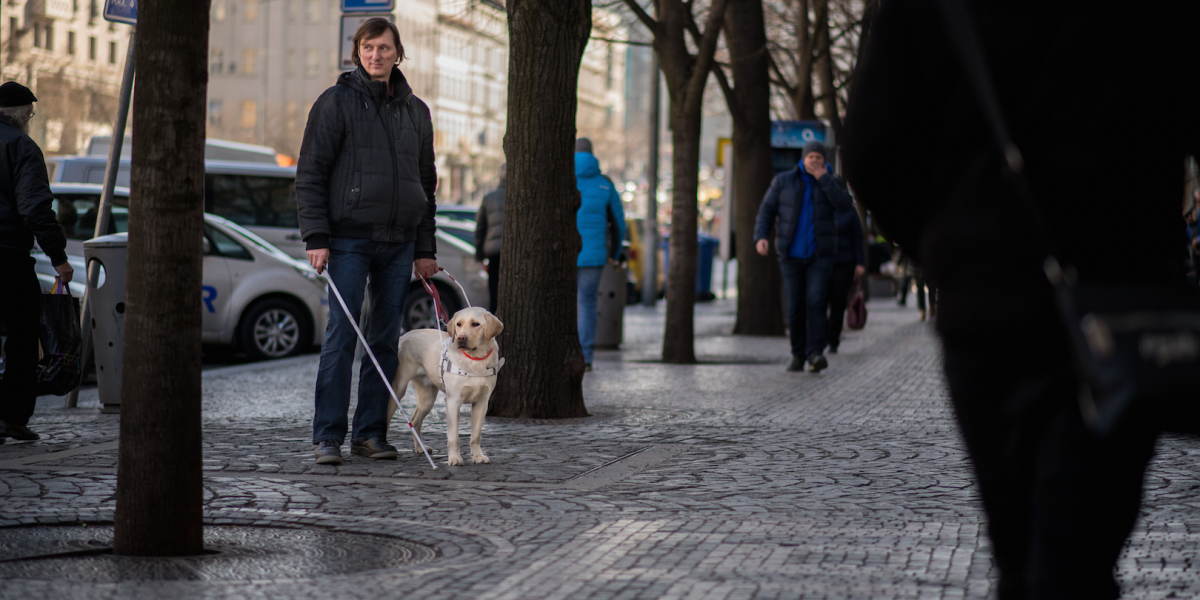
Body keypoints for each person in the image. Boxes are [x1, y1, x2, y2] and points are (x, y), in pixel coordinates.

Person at [842, 2, 1199, 597]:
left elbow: (871, 152)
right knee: (1077, 551)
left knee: (1019, 544)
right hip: (1116, 297)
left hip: (986, 307)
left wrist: (948, 245)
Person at [296, 18, 439, 466]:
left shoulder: (416, 110)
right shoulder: (335, 103)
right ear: (357, 51)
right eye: (367, 47)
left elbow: (425, 183)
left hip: (399, 243)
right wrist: (317, 236)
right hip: (348, 241)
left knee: (384, 342)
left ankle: (371, 433)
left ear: (399, 53)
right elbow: (311, 174)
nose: (375, 55)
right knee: (341, 337)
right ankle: (328, 437)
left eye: (383, 47)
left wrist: (425, 247)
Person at [0, 81, 73, 443]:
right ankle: (11, 417)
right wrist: (58, 258)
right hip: (8, 257)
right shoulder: (22, 147)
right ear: (22, 114)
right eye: (30, 114)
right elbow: (34, 208)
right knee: (23, 337)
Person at [754, 140, 853, 372]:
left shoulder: (833, 182)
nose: (815, 161)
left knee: (816, 301)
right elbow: (767, 210)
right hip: (790, 255)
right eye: (811, 157)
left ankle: (816, 353)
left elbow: (844, 206)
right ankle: (798, 354)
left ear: (825, 160)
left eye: (819, 158)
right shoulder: (783, 181)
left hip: (821, 255)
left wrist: (823, 178)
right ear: (803, 159)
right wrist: (761, 236)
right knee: (795, 307)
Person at [574, 138, 625, 372]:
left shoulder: (561, 177)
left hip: (562, 254)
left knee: (561, 303)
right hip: (594, 255)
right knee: (587, 304)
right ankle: (585, 356)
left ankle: (560, 351)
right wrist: (613, 253)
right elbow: (618, 224)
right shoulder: (605, 183)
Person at [825, 207, 865, 353]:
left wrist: (859, 262)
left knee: (838, 300)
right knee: (820, 299)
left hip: (845, 261)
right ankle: (822, 335)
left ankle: (833, 339)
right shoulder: (820, 202)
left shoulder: (849, 210)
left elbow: (857, 236)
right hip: (823, 260)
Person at [474, 163, 505, 314]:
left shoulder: (489, 198)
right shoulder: (521, 196)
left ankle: (495, 323)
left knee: (494, 292)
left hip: (493, 252)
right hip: (513, 254)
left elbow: (480, 228)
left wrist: (479, 253)